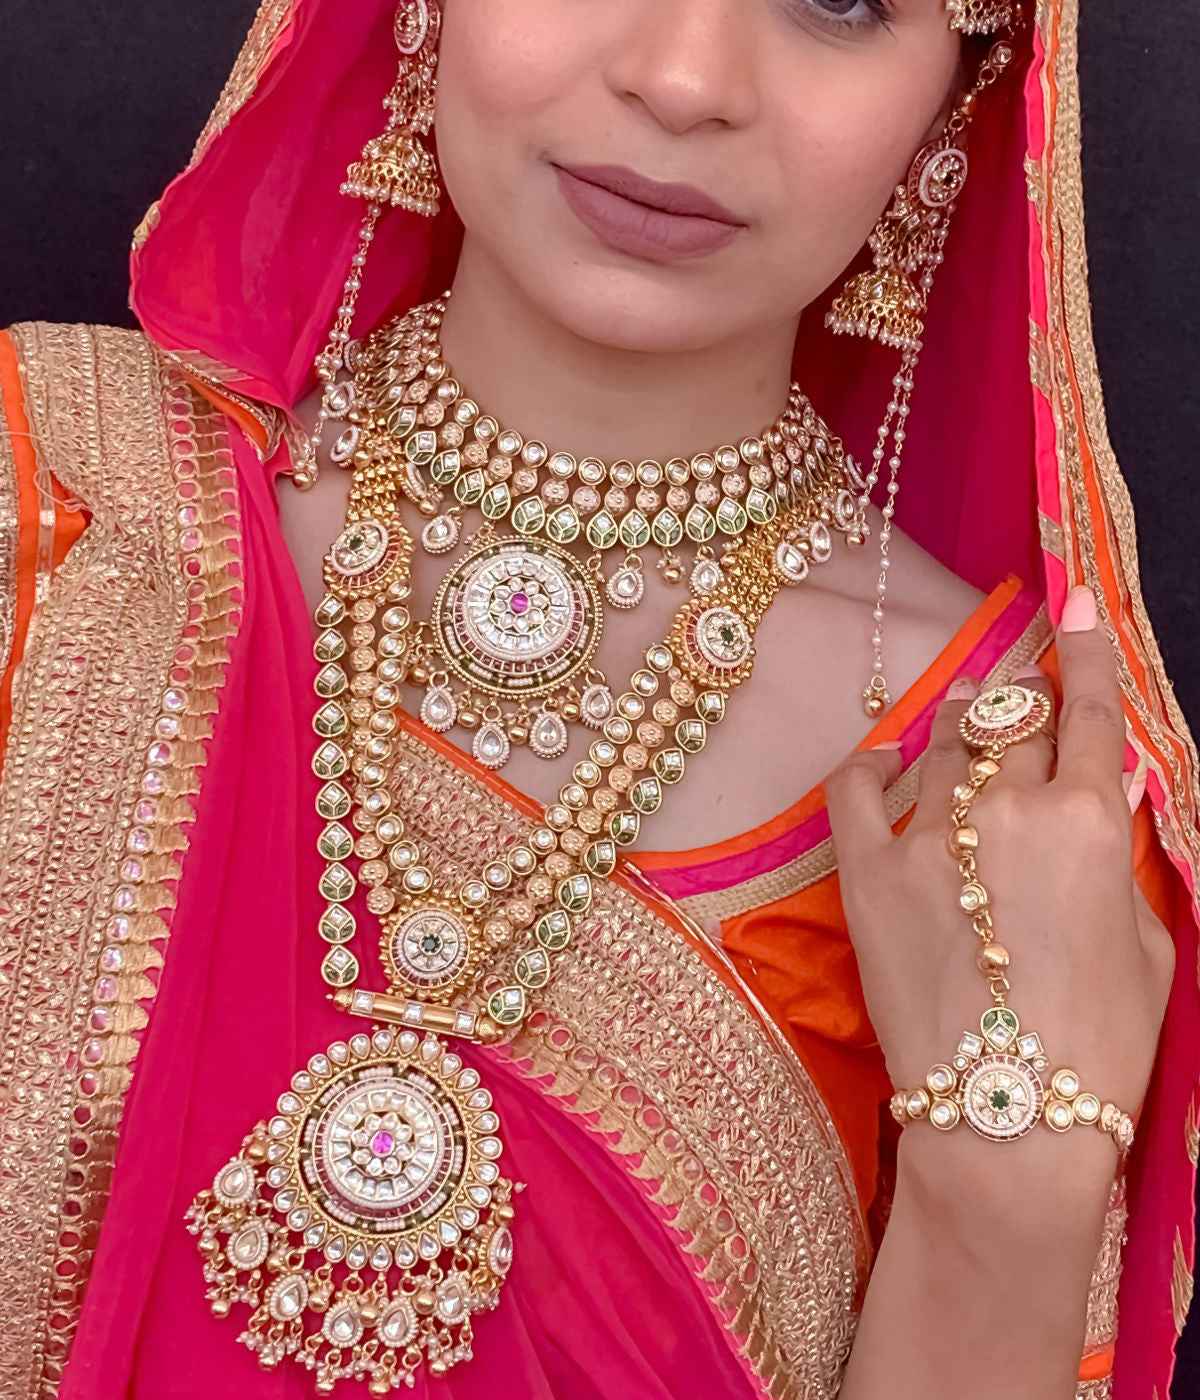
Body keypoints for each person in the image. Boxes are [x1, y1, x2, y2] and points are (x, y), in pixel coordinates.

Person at [0, 1, 1195, 1396]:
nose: (684, 81)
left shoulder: (1007, 798)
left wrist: (1007, 1185)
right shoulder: (57, 514)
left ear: (957, 105)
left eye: (846, 1)